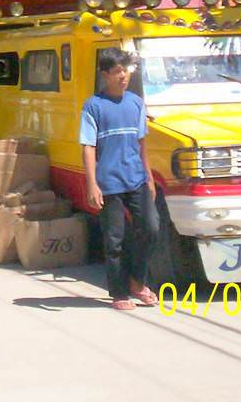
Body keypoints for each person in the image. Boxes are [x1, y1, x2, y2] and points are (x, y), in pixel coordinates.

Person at [81, 47, 159, 311]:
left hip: (136, 177)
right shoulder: (93, 106)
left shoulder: (136, 103)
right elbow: (88, 147)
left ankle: (138, 281)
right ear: (105, 74)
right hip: (109, 181)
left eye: (125, 70)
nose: (122, 76)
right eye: (116, 72)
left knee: (150, 228)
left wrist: (148, 174)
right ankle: (119, 293)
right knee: (114, 239)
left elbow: (141, 142)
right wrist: (92, 183)